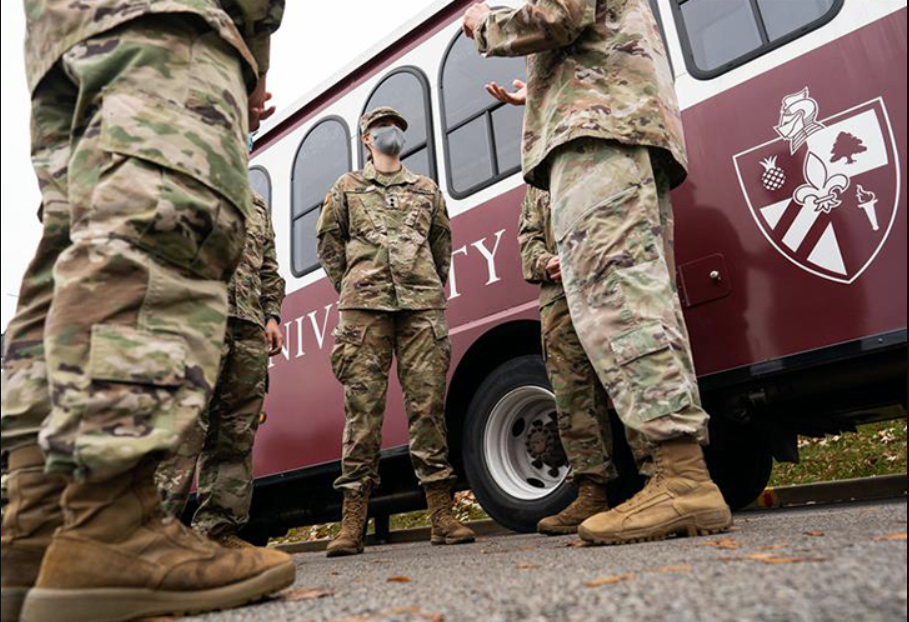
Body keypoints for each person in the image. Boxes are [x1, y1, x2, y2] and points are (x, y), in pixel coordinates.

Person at [0, 2, 293, 622]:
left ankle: (39, 528)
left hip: (65, 28)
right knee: (167, 214)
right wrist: (252, 50)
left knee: (73, 245)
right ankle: (108, 525)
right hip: (164, 14)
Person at [463, 0, 732, 546]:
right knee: (635, 294)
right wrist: (535, 96)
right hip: (611, 120)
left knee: (620, 299)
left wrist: (482, 25)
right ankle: (674, 475)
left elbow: (557, 14)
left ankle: (681, 479)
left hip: (599, 130)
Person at [317, 107, 476, 559]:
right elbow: (330, 246)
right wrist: (355, 284)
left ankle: (443, 515)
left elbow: (441, 244)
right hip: (363, 311)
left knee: (427, 407)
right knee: (362, 412)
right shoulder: (345, 189)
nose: (392, 134)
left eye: (398, 129)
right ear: (367, 139)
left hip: (420, 308)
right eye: (383, 128)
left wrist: (422, 284)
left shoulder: (426, 190)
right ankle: (352, 524)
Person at [156, 191, 286, 550]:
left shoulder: (257, 204)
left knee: (235, 432)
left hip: (247, 327)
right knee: (182, 429)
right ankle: (150, 534)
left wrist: (271, 315)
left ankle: (217, 533)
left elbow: (268, 269)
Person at [519, 187, 652, 536]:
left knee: (633, 376)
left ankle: (659, 479)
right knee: (573, 397)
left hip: (611, 281)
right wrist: (544, 263)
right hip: (560, 300)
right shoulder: (536, 185)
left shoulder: (590, 161)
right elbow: (528, 238)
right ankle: (591, 493)